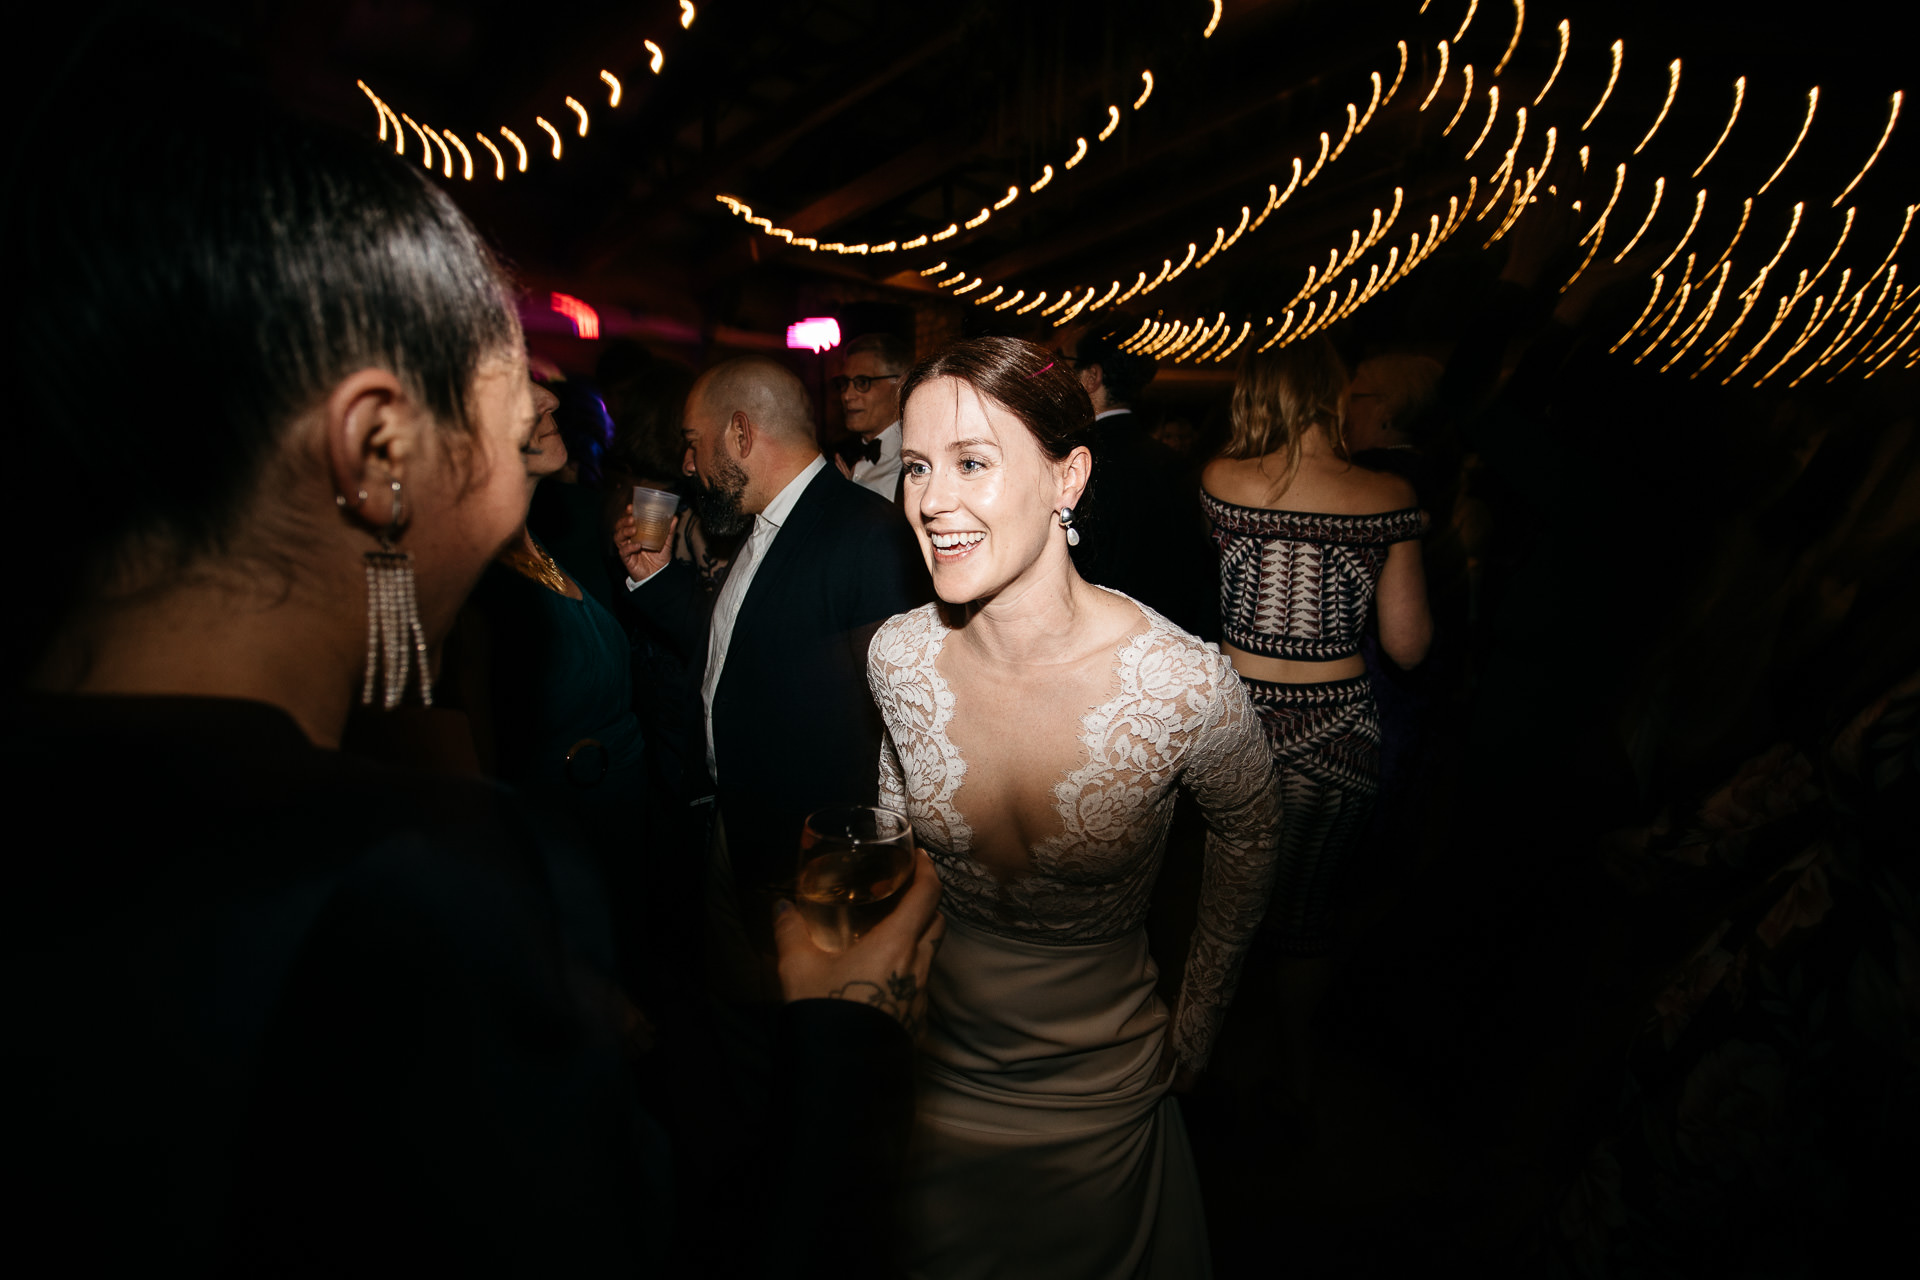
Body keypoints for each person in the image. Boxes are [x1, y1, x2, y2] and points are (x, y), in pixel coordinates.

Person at [2, 24, 941, 1274]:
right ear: (380, 454)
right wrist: (844, 1030)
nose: (527, 477)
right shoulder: (432, 901)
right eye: (512, 427)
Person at [871, 336, 1282, 1278]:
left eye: (973, 463)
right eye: (918, 467)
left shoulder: (1180, 685)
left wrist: (1199, 1022)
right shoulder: (898, 657)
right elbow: (895, 844)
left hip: (1104, 1088)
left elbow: (1253, 828)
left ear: (1069, 477)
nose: (933, 500)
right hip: (935, 1063)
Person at [616, 356, 932, 984]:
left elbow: (904, 742)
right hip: (737, 831)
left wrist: (847, 877)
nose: (686, 465)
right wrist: (655, 582)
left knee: (793, 1040)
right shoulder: (765, 526)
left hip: (809, 863)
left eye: (692, 444)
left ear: (740, 433)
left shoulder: (866, 537)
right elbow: (742, 645)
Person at [1199, 335, 1432, 1121]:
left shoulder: (1221, 480)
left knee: (1226, 907)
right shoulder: (1389, 496)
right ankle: (1298, 1079)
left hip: (1236, 728)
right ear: (1332, 398)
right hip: (1337, 733)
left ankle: (1207, 1065)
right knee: (1305, 916)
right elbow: (1407, 646)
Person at [1066, 320, 1221, 638]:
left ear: (1092, 376)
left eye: (1064, 362)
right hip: (1169, 638)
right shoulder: (1175, 463)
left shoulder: (1077, 462)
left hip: (1097, 640)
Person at [833, 331, 913, 500]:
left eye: (862, 382)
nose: (847, 396)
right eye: (845, 383)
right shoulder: (836, 459)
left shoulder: (920, 458)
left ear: (901, 385)